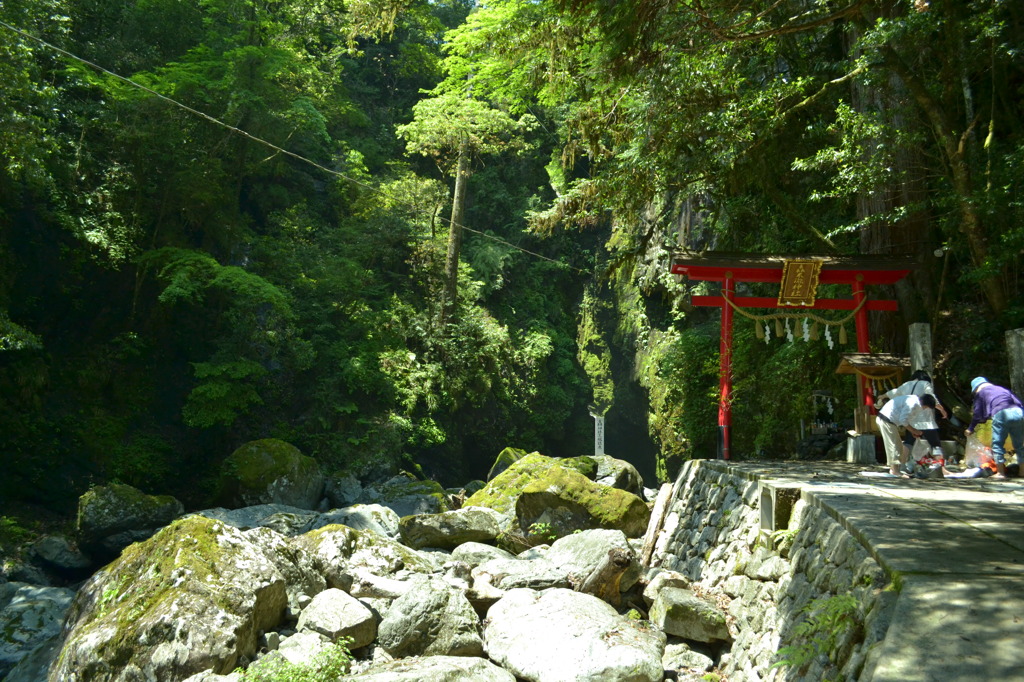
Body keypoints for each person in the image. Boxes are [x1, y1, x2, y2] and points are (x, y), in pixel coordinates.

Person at [875, 370, 948, 461]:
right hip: (925, 420)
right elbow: (931, 396)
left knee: (908, 443)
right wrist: (942, 409)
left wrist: (883, 396)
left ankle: (901, 465)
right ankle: (941, 468)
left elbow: (895, 392)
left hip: (909, 421)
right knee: (935, 443)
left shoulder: (906, 384)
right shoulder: (925, 383)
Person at [965, 377, 1023, 480]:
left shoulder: (981, 393)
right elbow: (1019, 403)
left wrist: (970, 428)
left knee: (997, 444)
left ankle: (1000, 473)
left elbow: (978, 413)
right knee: (1019, 444)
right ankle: (1022, 472)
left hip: (1001, 413)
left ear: (976, 388)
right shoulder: (1003, 389)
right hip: (1018, 412)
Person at [876, 393, 938, 477]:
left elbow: (906, 420)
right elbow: (903, 420)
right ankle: (894, 470)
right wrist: (914, 430)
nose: (925, 409)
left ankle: (895, 469)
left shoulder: (914, 401)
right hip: (886, 420)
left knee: (898, 445)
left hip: (889, 421)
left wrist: (913, 431)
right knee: (894, 445)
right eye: (926, 407)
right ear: (923, 403)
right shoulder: (912, 403)